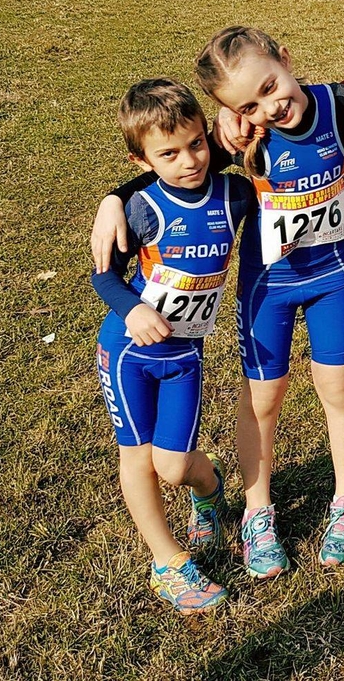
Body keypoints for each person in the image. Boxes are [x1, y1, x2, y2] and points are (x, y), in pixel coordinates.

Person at [95, 28, 344, 578]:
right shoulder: (235, 140)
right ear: (230, 115)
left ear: (286, 61)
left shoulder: (337, 106)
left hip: (334, 278)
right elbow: (169, 172)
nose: (271, 106)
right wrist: (114, 197)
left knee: (339, 387)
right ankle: (256, 509)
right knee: (263, 399)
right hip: (268, 287)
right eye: (248, 105)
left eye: (271, 87)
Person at [93, 78, 253, 612]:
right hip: (129, 354)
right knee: (139, 459)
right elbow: (104, 276)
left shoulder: (233, 194)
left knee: (176, 465)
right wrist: (133, 309)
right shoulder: (140, 206)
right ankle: (168, 561)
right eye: (168, 153)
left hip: (186, 356)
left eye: (196, 144)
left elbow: (268, 171)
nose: (188, 160)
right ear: (142, 159)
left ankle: (209, 494)